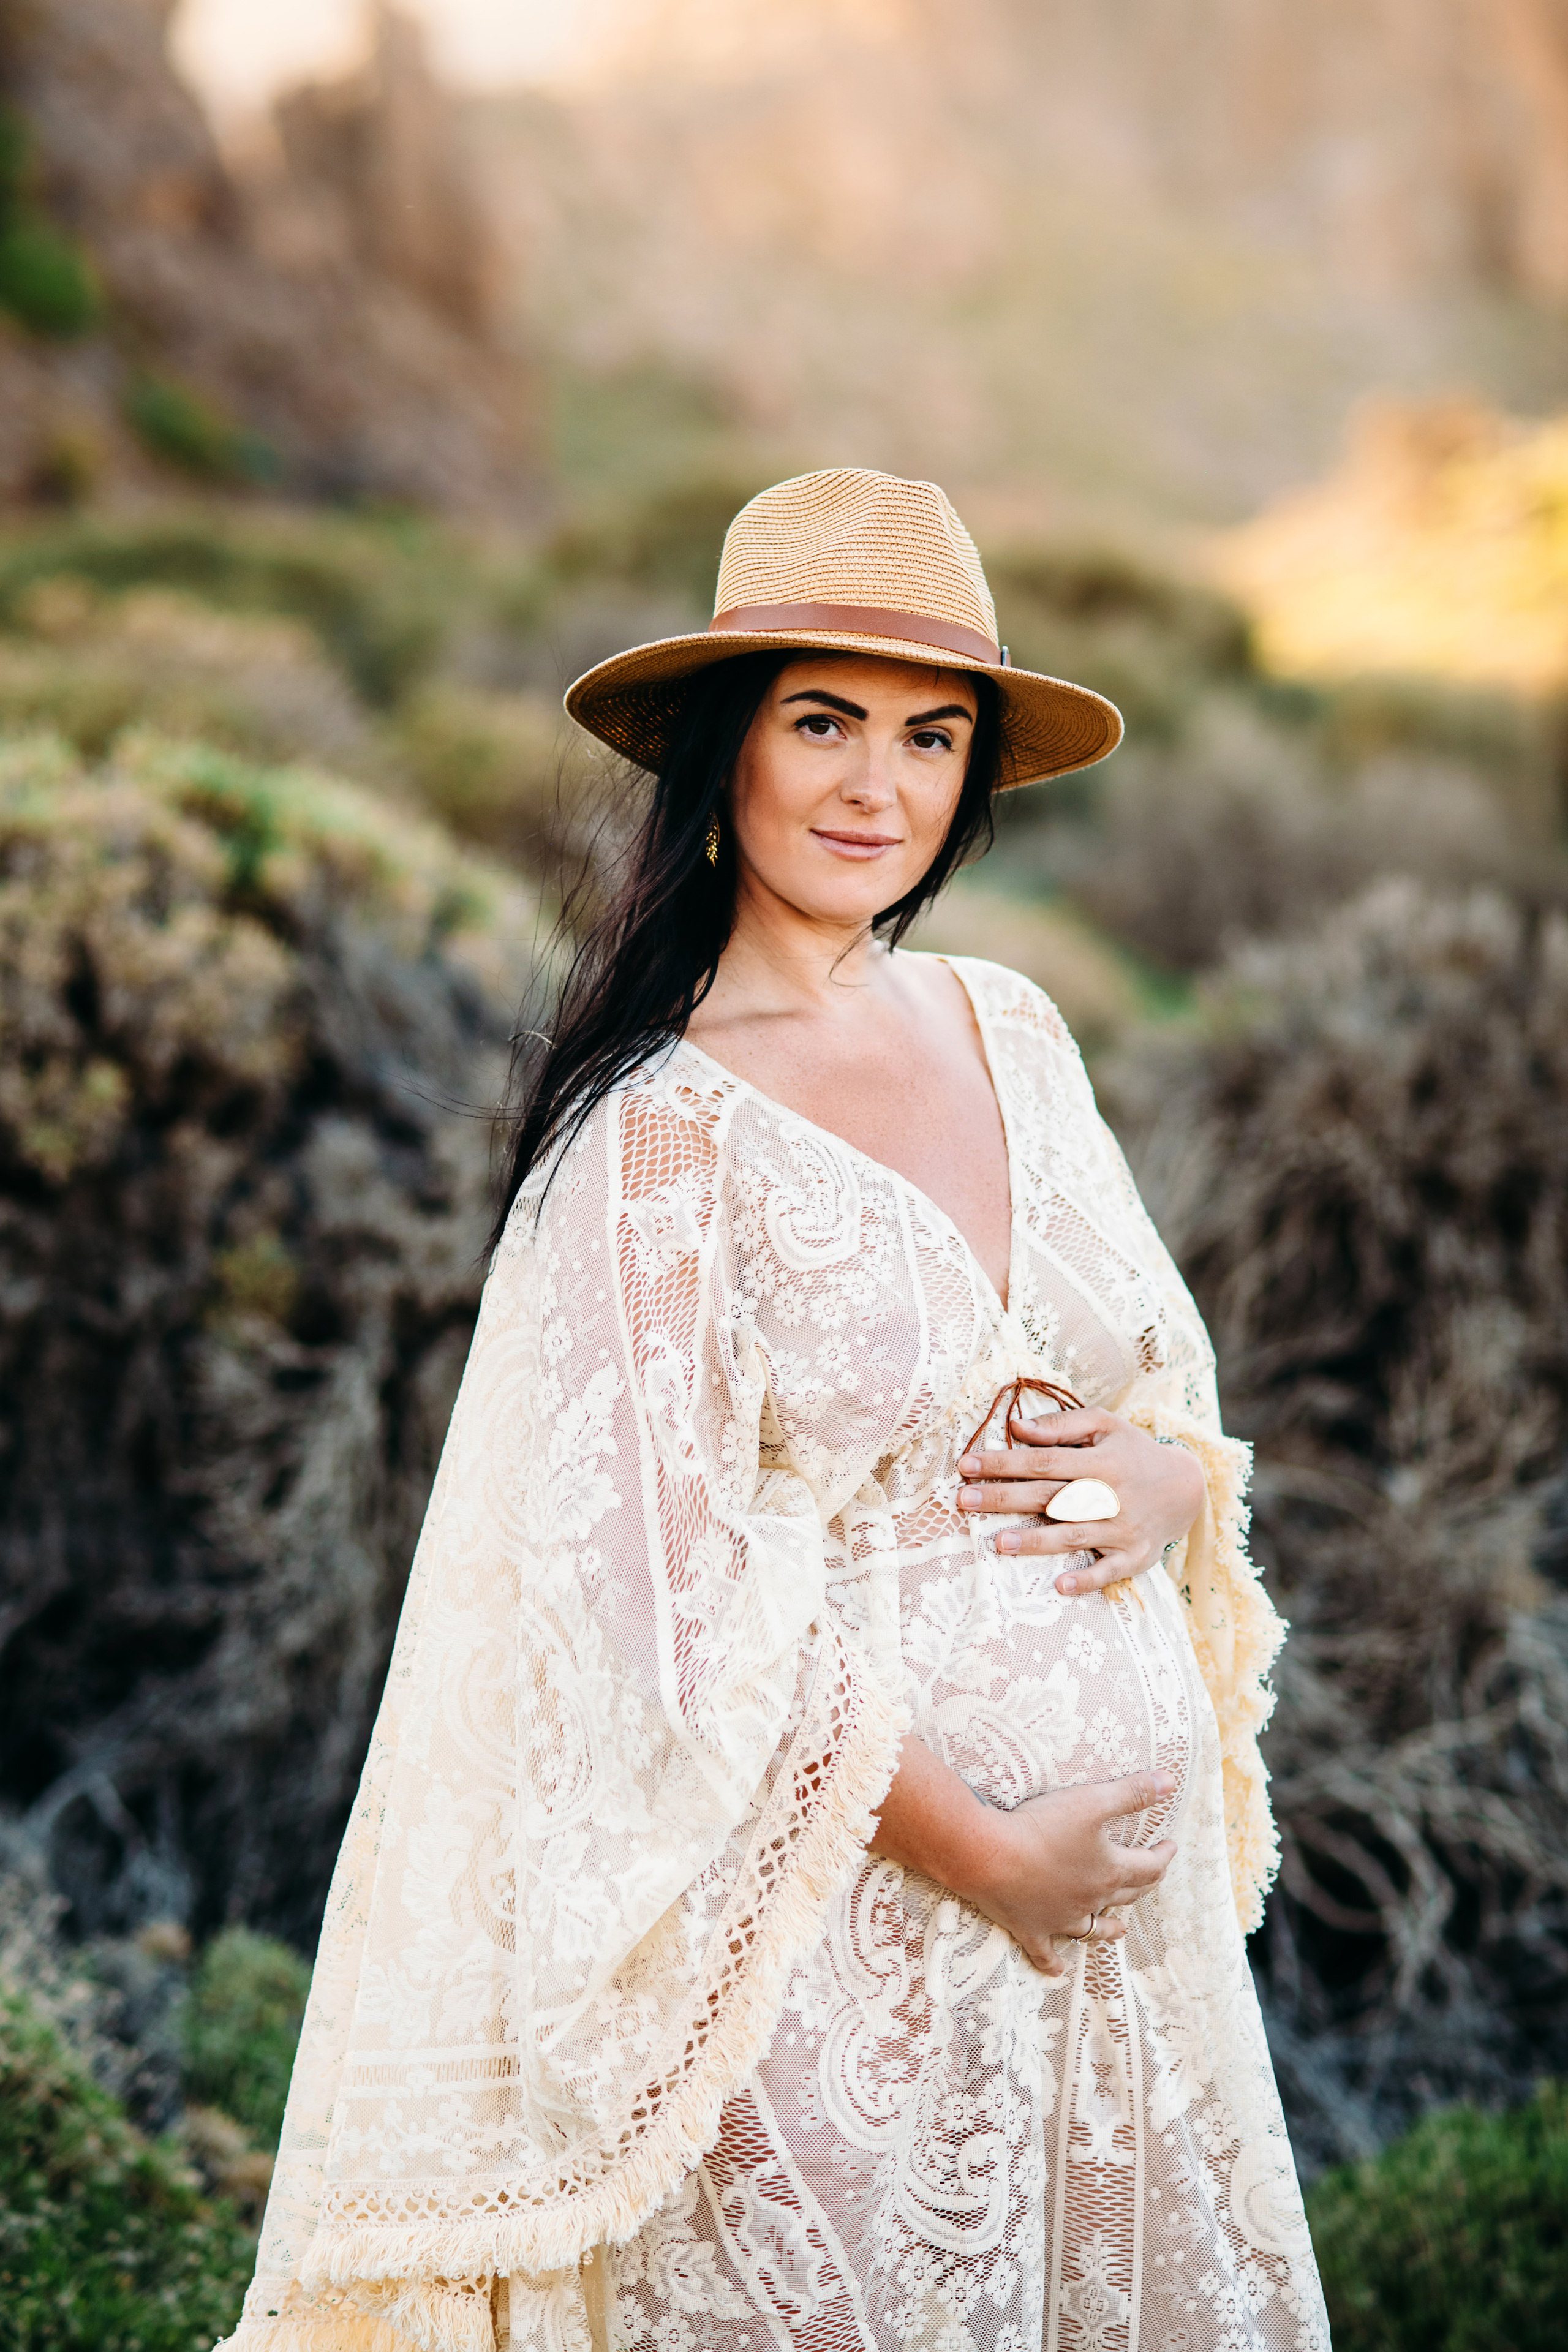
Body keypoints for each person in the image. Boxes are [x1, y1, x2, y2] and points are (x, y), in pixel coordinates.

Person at [222, 470, 1328, 2352]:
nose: (873, 786)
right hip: (838, 1961)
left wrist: (1158, 1479)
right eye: (821, 721)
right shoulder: (653, 1139)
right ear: (727, 751)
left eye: (928, 735)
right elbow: (658, 1612)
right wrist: (984, 1848)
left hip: (1114, 1964)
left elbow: (1150, 1371)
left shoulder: (1015, 1032)